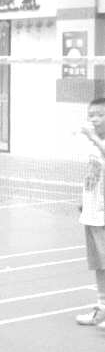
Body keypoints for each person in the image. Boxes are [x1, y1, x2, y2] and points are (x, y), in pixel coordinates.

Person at [76, 97, 105, 330]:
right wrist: (84, 201)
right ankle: (102, 308)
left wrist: (94, 138)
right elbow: (92, 174)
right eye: (91, 115)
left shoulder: (97, 141)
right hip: (93, 213)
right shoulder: (92, 145)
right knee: (99, 264)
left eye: (100, 115)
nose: (94, 119)